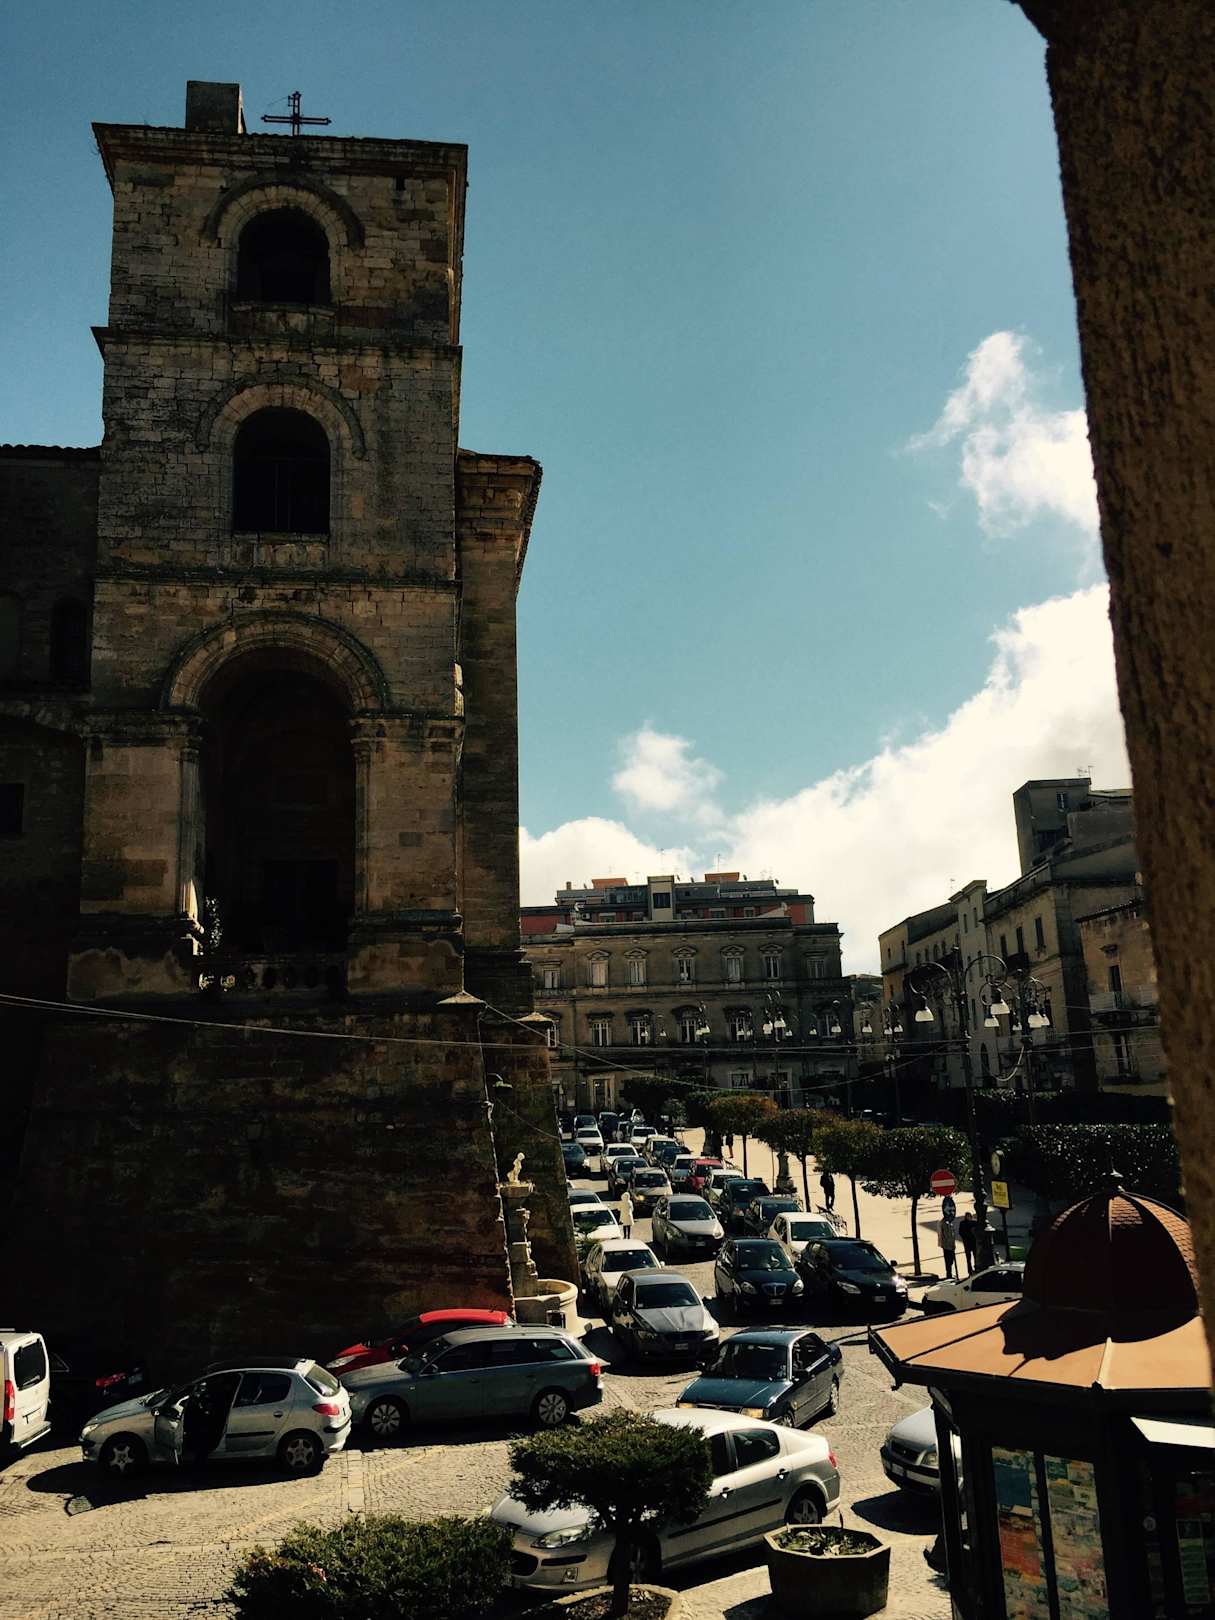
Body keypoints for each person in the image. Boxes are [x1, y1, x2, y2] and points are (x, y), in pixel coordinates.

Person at [958, 1210, 977, 1276]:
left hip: (973, 1243)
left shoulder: (974, 1222)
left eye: (969, 1216)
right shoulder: (962, 1223)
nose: (968, 1217)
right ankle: (970, 1270)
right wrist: (965, 1237)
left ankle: (976, 1268)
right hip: (967, 1243)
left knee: (975, 1257)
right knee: (968, 1258)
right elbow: (961, 1232)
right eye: (967, 1216)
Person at [939, 1215, 958, 1279]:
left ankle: (949, 1273)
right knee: (948, 1260)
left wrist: (953, 1244)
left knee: (951, 1260)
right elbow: (947, 1236)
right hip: (947, 1246)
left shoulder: (950, 1224)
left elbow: (952, 1235)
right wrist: (951, 1244)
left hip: (951, 1245)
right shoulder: (945, 1224)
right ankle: (949, 1274)